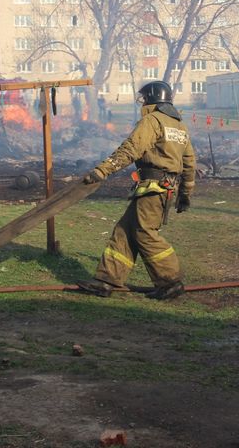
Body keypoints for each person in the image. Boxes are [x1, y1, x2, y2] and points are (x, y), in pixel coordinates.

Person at [78, 81, 196, 300]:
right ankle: (106, 281)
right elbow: (189, 162)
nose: (142, 102)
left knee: (145, 233)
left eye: (144, 97)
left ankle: (170, 281)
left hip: (154, 189)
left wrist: (103, 170)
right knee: (125, 230)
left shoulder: (152, 120)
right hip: (165, 188)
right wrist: (185, 193)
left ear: (152, 98)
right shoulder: (179, 126)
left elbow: (131, 148)